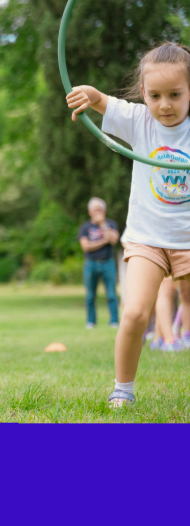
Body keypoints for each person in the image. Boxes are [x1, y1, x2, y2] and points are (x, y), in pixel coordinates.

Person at [67, 42, 190, 407]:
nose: (164, 104)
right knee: (135, 312)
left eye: (175, 95)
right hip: (146, 240)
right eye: (154, 95)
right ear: (143, 93)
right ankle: (123, 389)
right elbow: (101, 99)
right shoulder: (140, 120)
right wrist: (87, 94)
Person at [78, 197, 120, 329]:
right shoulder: (85, 228)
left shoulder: (111, 224)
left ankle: (114, 321)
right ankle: (91, 321)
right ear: (89, 211)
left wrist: (103, 224)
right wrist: (104, 241)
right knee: (90, 295)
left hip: (108, 262)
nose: (97, 212)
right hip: (91, 264)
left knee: (112, 294)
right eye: (95, 210)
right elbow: (86, 246)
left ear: (104, 210)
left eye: (100, 209)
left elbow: (113, 240)